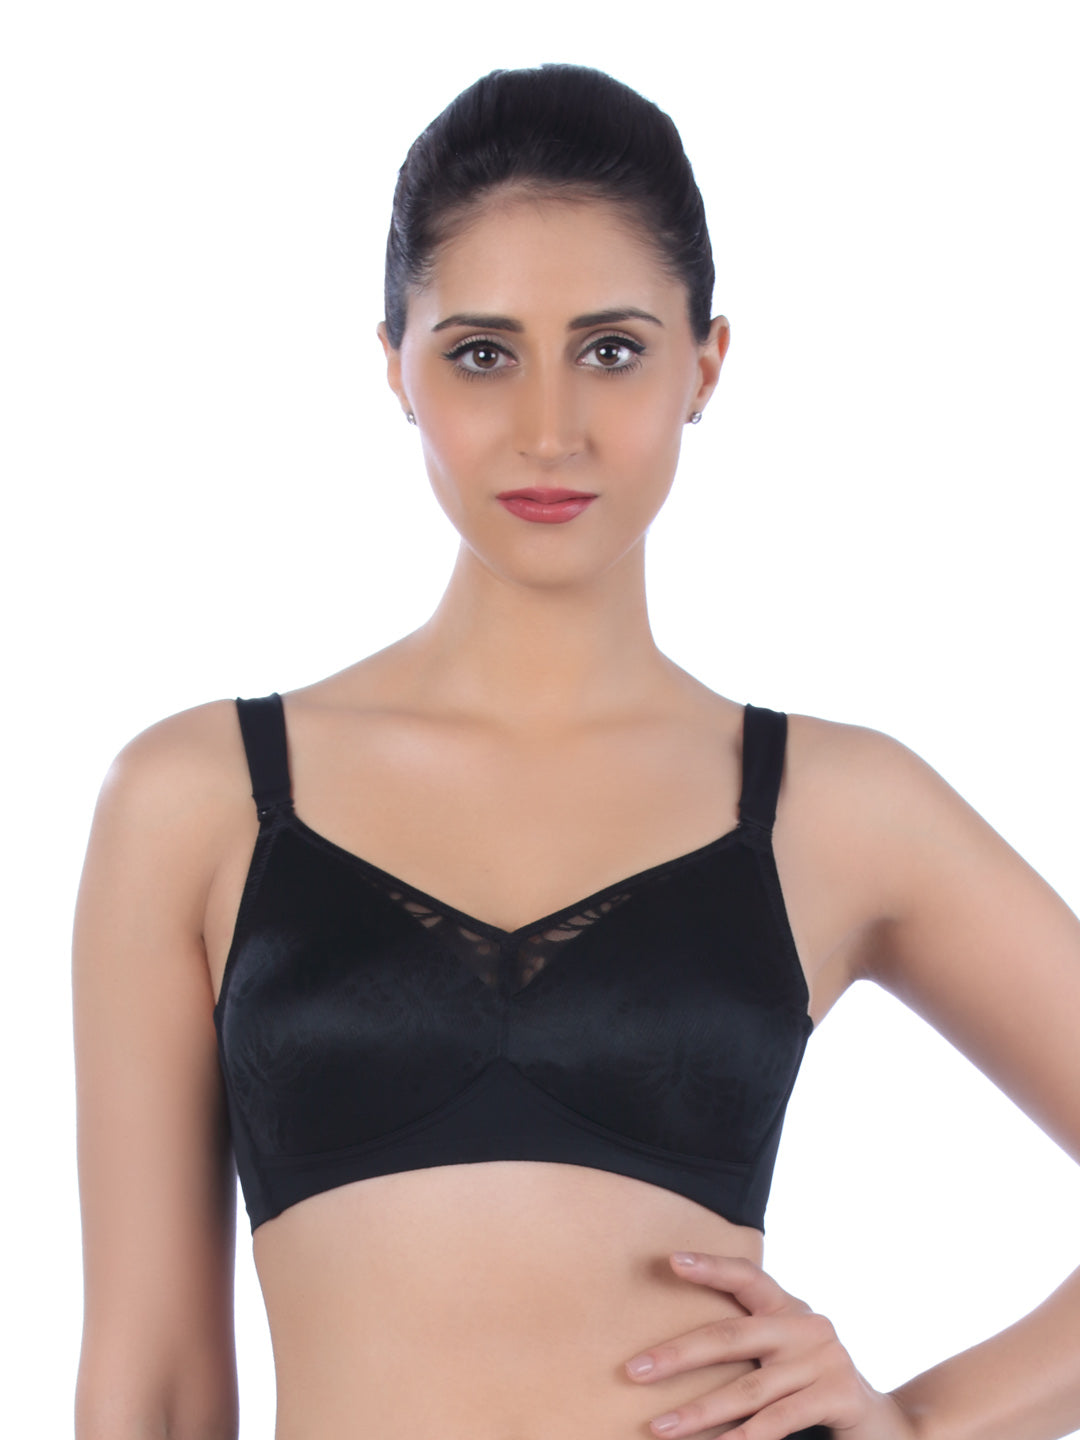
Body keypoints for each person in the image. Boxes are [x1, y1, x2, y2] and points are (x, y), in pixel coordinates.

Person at [72, 63, 1080, 1440]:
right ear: (395, 365)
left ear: (704, 367)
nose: (549, 430)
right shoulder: (199, 802)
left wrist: (910, 1428)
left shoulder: (838, 810)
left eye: (611, 350)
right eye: (482, 354)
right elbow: (152, 1384)